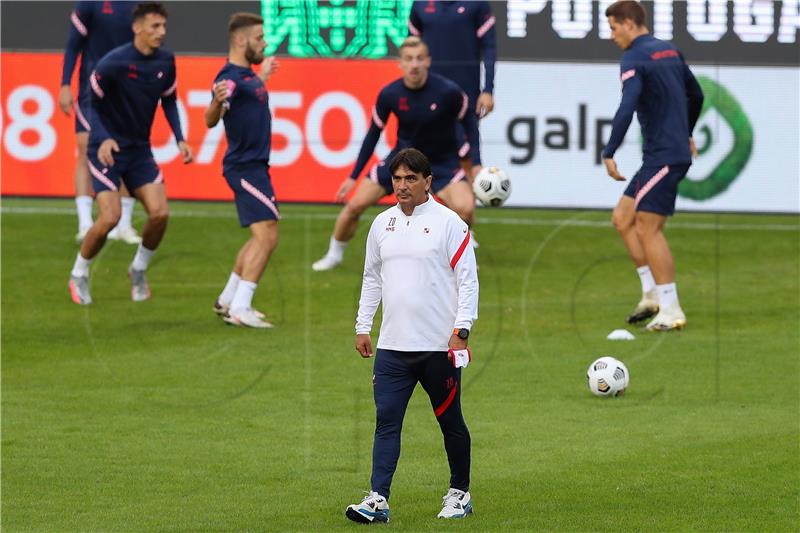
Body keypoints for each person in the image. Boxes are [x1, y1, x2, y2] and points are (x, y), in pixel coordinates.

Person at [345, 148, 478, 523]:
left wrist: (462, 329)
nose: (402, 186)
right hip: (392, 349)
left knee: (450, 421)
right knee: (386, 420)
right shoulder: (381, 224)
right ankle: (378, 499)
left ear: (428, 182)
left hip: (439, 348)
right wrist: (362, 326)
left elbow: (468, 281)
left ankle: (459, 493)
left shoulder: (450, 223)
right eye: (397, 179)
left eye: (410, 179)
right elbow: (372, 278)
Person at [312, 36, 477, 272]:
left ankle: (461, 249)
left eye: (420, 58)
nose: (414, 64)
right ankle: (334, 254)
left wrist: (476, 163)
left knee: (466, 209)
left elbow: (469, 122)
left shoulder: (448, 92)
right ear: (400, 63)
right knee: (354, 206)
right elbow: (372, 135)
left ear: (428, 61)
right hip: (401, 161)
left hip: (440, 162)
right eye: (409, 59)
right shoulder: (390, 93)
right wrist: (353, 176)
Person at [67, 2, 193, 305]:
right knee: (110, 217)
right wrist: (105, 138)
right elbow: (91, 105)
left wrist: (180, 138)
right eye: (155, 26)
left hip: (139, 150)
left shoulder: (166, 60)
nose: (161, 32)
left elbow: (170, 100)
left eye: (163, 26)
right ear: (137, 28)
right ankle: (79, 273)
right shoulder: (112, 63)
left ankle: (138, 269)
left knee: (160, 214)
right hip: (106, 150)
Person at [602, 0, 704, 331]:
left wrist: (610, 150)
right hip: (666, 154)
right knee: (623, 218)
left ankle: (671, 308)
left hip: (664, 156)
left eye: (614, 27)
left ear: (629, 24)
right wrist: (687, 131)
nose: (612, 35)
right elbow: (697, 94)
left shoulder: (633, 57)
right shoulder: (670, 51)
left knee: (648, 227)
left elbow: (627, 104)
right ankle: (652, 295)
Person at [204, 13, 280, 329]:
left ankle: (227, 300)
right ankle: (241, 307)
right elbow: (210, 118)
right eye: (259, 38)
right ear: (240, 40)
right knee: (268, 236)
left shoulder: (246, 76)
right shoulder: (229, 79)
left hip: (253, 167)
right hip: (245, 168)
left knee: (259, 236)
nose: (264, 43)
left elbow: (245, 95)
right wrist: (216, 103)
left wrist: (261, 76)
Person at [59, 0, 143, 245]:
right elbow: (73, 44)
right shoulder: (90, 3)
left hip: (127, 89)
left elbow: (146, 46)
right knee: (85, 150)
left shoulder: (139, 5)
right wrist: (65, 84)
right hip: (91, 88)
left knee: (126, 152)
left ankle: (124, 225)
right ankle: (85, 223)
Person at [408, 0, 497, 177]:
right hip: (426, 93)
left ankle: (467, 204)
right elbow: (410, 48)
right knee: (419, 155)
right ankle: (423, 203)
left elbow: (489, 47)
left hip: (464, 93)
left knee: (466, 155)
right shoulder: (420, 4)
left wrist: (488, 89)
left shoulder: (477, 4)